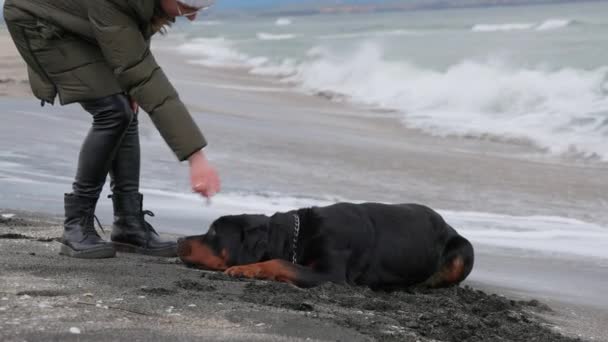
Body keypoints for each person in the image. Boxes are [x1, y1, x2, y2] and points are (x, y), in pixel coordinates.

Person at [3, 0, 221, 259]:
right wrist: (196, 157)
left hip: (83, 20)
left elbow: (134, 50)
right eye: (186, 8)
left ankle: (129, 227)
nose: (192, 16)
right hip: (40, 20)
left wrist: (131, 85)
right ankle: (76, 227)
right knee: (113, 111)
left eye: (199, 9)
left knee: (127, 109)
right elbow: (141, 72)